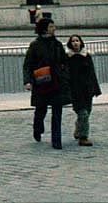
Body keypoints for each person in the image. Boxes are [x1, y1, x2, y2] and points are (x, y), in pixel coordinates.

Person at [23, 18, 69, 149]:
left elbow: (64, 61)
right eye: (51, 26)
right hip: (41, 81)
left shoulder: (57, 44)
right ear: (44, 29)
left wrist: (65, 74)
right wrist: (28, 81)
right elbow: (28, 65)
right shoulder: (35, 45)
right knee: (40, 109)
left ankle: (56, 140)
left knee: (57, 112)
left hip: (56, 81)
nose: (54, 29)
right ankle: (37, 128)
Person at [65, 35, 102, 147]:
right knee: (83, 113)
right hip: (75, 90)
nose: (75, 43)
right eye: (73, 41)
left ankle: (78, 128)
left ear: (81, 43)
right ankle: (83, 137)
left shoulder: (86, 56)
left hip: (87, 89)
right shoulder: (68, 57)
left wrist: (95, 88)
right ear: (70, 44)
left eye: (77, 41)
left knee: (87, 111)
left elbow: (92, 73)